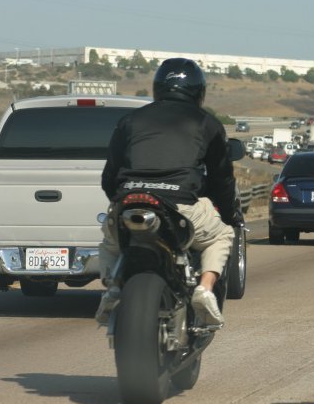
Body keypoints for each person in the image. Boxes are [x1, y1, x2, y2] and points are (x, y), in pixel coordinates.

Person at [97, 58, 239, 328]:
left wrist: (121, 198)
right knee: (222, 235)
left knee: (109, 243)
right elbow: (222, 179)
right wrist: (229, 214)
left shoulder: (130, 120)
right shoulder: (207, 123)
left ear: (158, 87)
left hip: (130, 203)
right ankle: (205, 289)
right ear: (199, 90)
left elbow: (109, 177)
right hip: (180, 206)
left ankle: (112, 288)